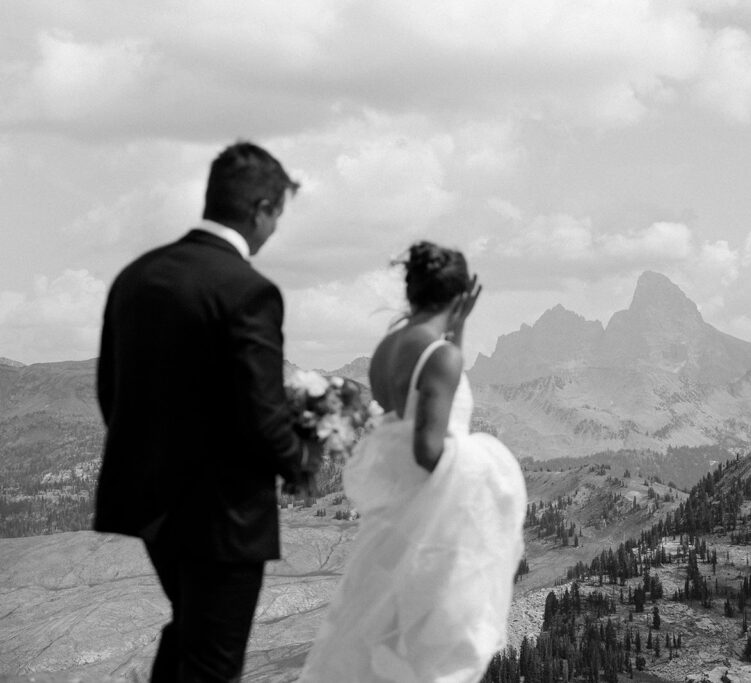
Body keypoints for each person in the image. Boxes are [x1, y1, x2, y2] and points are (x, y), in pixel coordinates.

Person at [93, 141, 319, 682]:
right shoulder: (248, 291)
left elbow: (110, 391)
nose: (275, 230)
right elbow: (263, 413)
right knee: (214, 664)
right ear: (262, 209)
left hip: (151, 506)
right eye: (278, 215)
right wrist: (301, 461)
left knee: (190, 640)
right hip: (224, 516)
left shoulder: (137, 276)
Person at [299, 241, 527, 683]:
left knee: (382, 637)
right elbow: (426, 447)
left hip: (393, 517)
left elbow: (403, 416)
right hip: (431, 525)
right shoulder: (442, 355)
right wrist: (486, 462)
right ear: (461, 296)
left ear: (412, 291)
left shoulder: (388, 347)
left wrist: (455, 336)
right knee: (426, 655)